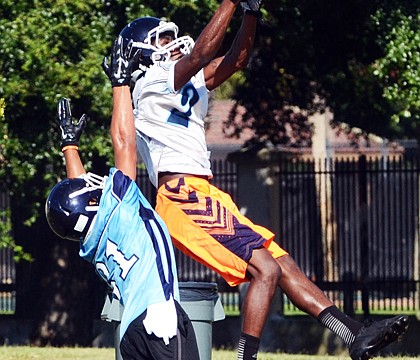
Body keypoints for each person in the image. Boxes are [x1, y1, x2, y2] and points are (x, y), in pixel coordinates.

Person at [102, 0, 409, 359]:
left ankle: (352, 333)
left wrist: (251, 13)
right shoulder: (148, 85)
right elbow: (202, 53)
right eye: (162, 40)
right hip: (181, 195)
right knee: (264, 269)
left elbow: (236, 60)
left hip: (202, 192)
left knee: (281, 264)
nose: (173, 43)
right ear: (142, 56)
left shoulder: (177, 82)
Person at [45, 40, 199, 360]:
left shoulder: (91, 242)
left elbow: (75, 201)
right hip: (161, 318)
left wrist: (70, 145)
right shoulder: (119, 208)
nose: (93, 185)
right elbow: (124, 144)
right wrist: (120, 84)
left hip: (131, 333)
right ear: (88, 203)